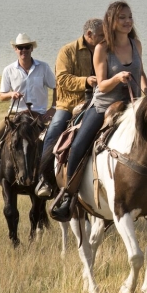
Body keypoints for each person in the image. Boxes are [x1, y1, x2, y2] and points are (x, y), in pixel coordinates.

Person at [50, 1, 147, 221]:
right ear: (111, 20)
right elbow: (101, 85)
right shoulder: (102, 48)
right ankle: (68, 195)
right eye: (122, 17)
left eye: (130, 17)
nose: (127, 21)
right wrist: (117, 78)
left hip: (134, 105)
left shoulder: (136, 44)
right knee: (80, 144)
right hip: (103, 106)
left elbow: (140, 71)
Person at [0, 33, 57, 192]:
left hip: (38, 116)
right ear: (15, 49)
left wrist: (53, 108)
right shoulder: (8, 70)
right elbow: (1, 95)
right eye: (20, 47)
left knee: (52, 142)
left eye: (27, 47)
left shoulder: (43, 67)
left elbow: (56, 87)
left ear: (31, 48)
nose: (24, 50)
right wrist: (11, 94)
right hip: (16, 115)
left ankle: (53, 178)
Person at [34, 18, 104, 198]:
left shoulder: (105, 51)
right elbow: (62, 79)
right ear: (89, 35)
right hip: (69, 104)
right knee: (55, 128)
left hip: (97, 102)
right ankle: (45, 177)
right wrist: (86, 81)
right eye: (102, 35)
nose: (106, 39)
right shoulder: (67, 51)